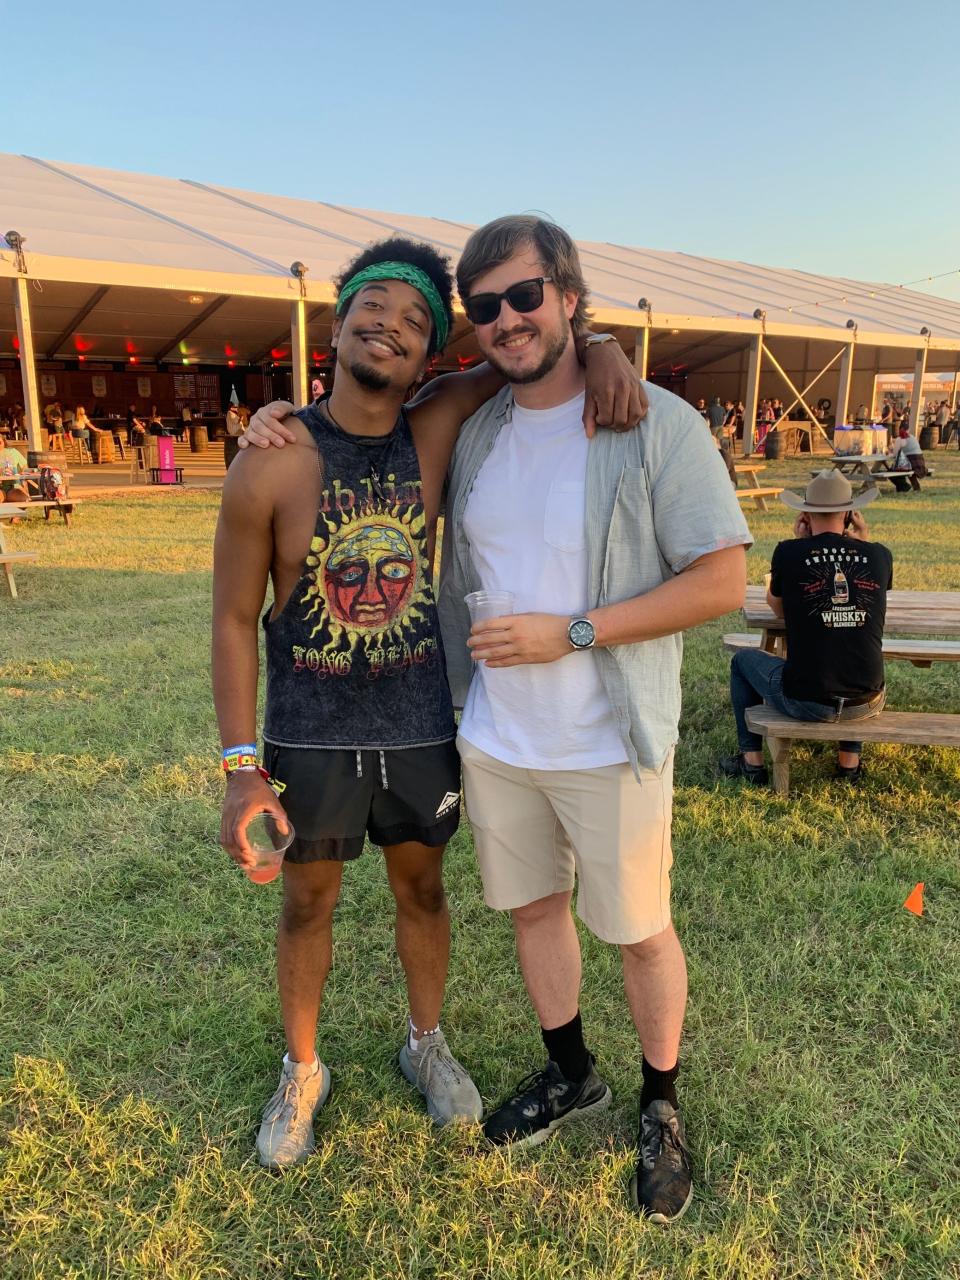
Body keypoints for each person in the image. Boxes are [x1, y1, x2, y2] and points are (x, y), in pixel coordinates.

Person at [215, 233, 648, 1171]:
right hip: (311, 733)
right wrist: (241, 771)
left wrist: (605, 341)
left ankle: (425, 1042)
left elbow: (531, 343)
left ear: (429, 356)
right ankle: (301, 1070)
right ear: (339, 322)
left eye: (415, 319)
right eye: (374, 305)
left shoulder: (438, 422)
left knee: (423, 889)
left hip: (419, 724)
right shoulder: (275, 456)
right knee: (307, 904)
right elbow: (230, 620)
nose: (392, 325)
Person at [435, 216, 749, 1223]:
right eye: (484, 306)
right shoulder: (478, 427)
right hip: (498, 733)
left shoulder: (655, 422)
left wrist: (573, 632)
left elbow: (722, 579)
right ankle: (572, 1071)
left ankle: (660, 1102)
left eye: (525, 295)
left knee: (640, 928)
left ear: (570, 294)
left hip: (607, 735)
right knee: (534, 908)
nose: (507, 320)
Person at [721, 471, 890, 786]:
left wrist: (802, 544)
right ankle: (848, 766)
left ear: (806, 514)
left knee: (742, 661)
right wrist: (862, 541)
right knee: (852, 653)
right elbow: (868, 595)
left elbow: (780, 608)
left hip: (806, 702)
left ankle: (751, 763)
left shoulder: (789, 552)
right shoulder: (879, 554)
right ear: (851, 514)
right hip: (867, 702)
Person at [887, 426, 926, 492]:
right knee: (898, 469)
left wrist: (889, 453)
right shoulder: (913, 437)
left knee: (890, 472)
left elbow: (894, 454)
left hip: (911, 464)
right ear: (908, 429)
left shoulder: (899, 439)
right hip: (920, 463)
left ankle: (905, 487)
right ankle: (904, 488)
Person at [223, 403, 244, 468]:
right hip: (235, 431)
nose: (236, 408)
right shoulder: (230, 413)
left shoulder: (233, 413)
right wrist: (240, 418)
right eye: (235, 407)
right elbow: (235, 421)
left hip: (237, 430)